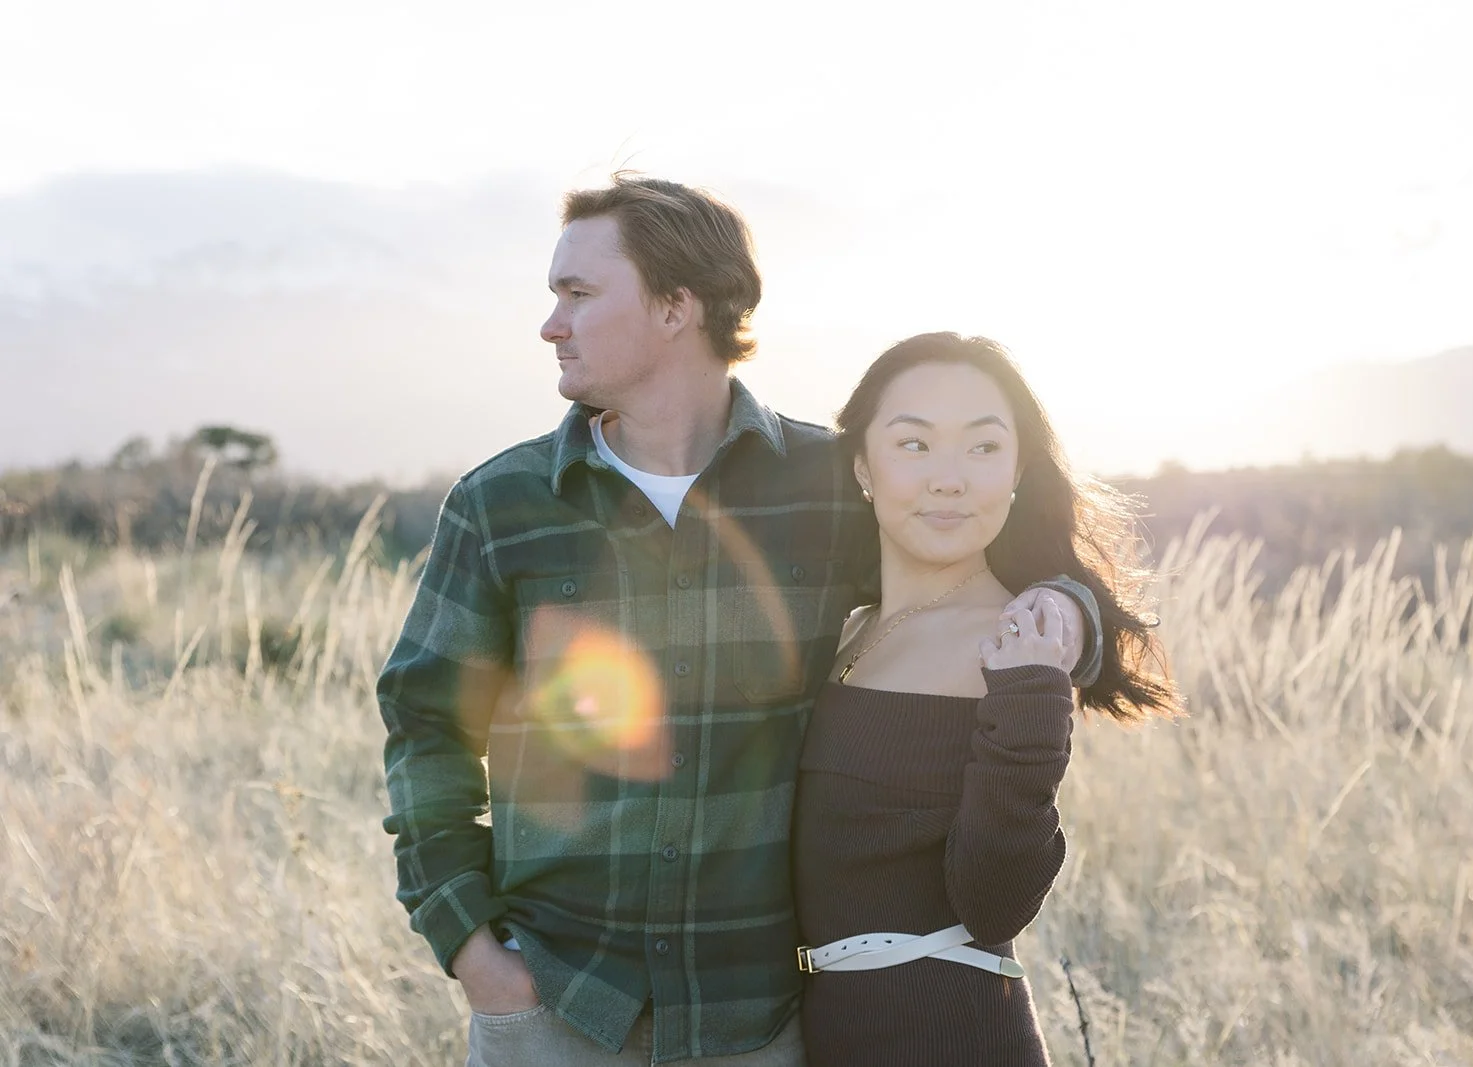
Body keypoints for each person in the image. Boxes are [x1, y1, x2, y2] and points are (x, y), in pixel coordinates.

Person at [375, 176, 1105, 1066]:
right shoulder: (503, 504)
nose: (551, 324)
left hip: (754, 1023)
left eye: (579, 293)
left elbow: (980, 551)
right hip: (558, 1008)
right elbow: (425, 728)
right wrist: (474, 951)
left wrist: (1067, 610)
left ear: (675, 306)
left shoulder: (825, 486)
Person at [792, 332, 1183, 1066]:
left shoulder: (1012, 643)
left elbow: (996, 903)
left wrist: (1035, 699)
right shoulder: (847, 631)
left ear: (1017, 471)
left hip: (951, 1038)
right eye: (914, 444)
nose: (949, 479)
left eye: (982, 447)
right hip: (831, 1036)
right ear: (862, 466)